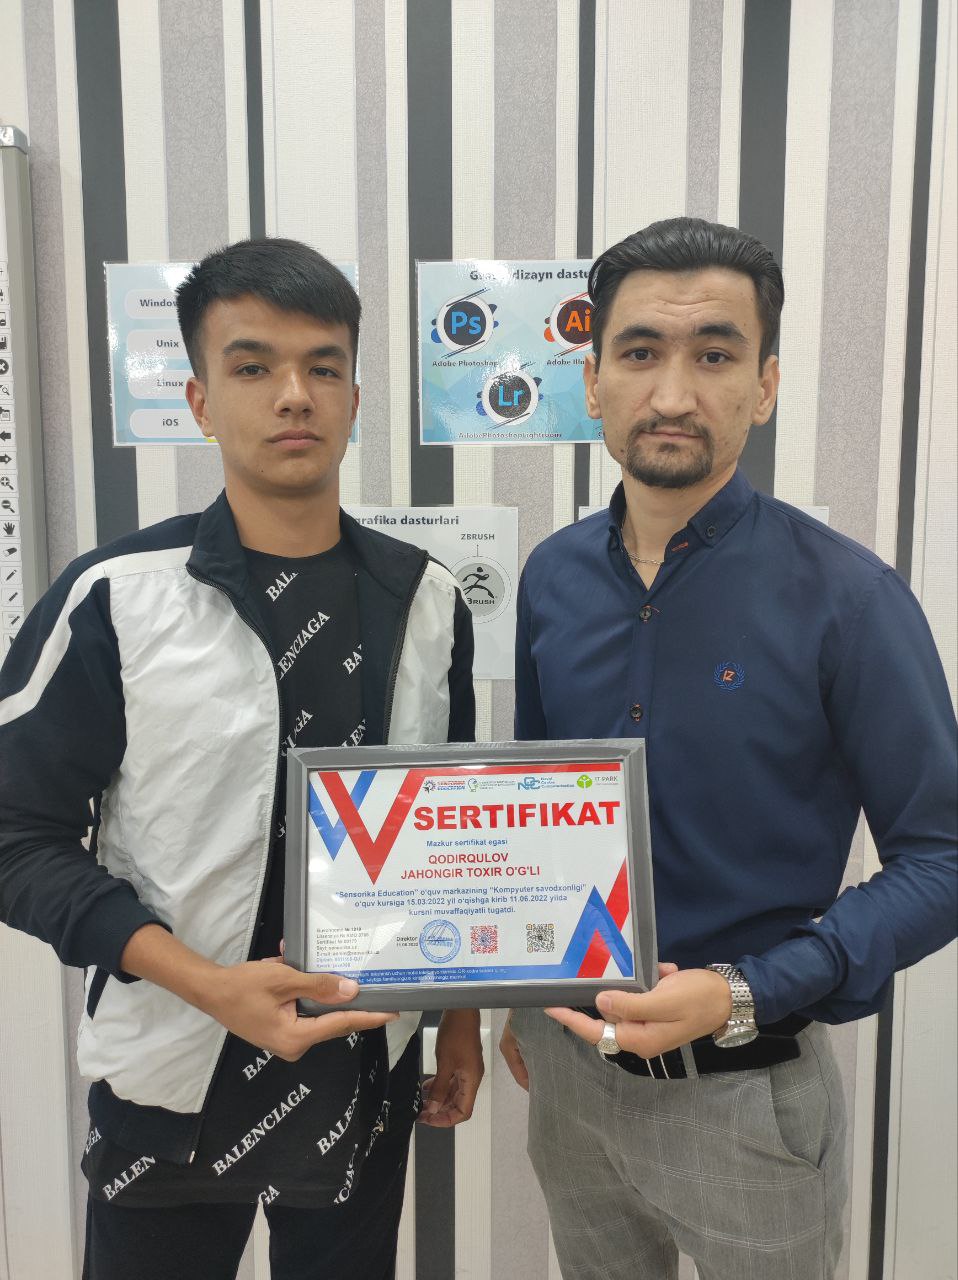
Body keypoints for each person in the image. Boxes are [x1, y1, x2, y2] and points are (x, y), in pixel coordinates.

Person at [0, 238, 482, 1279]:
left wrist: (460, 1025)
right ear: (201, 399)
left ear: (354, 398)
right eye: (253, 366)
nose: (293, 395)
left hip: (363, 1064)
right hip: (169, 1069)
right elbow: (15, 835)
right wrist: (208, 984)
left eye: (322, 367)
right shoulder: (116, 596)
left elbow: (448, 829)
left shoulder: (427, 598)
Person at [500, 217, 957, 1279]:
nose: (672, 394)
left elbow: (942, 858)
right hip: (568, 1087)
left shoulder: (849, 598)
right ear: (593, 381)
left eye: (714, 354)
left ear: (765, 385)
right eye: (639, 353)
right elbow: (533, 803)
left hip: (750, 1100)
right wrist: (517, 995)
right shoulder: (551, 578)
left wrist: (744, 988)